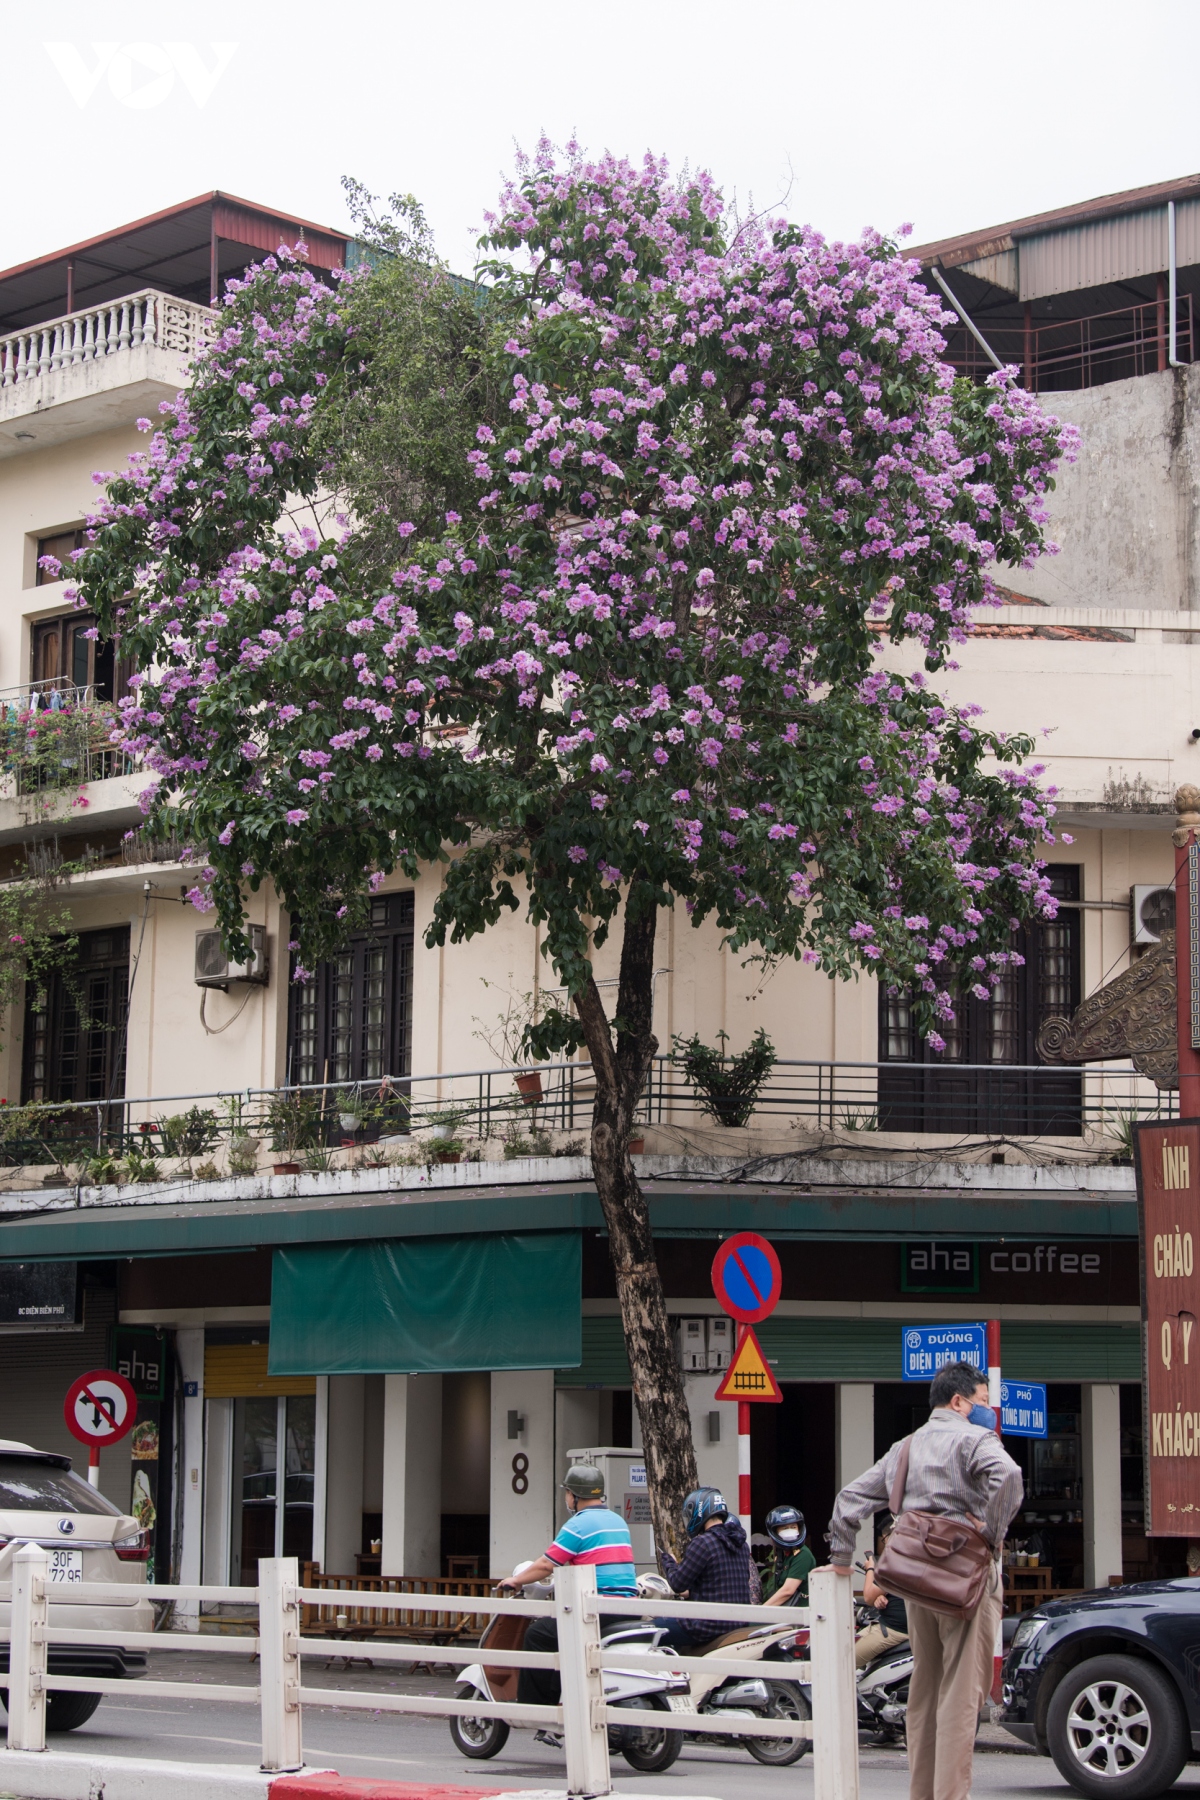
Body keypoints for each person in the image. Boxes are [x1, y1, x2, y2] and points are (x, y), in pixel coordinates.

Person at [827, 1361, 1023, 1800]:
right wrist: (991, 1533)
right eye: (983, 1402)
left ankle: (923, 1794)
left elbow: (850, 1499)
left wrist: (841, 1557)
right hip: (967, 1582)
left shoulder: (906, 1447)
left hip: (917, 1583)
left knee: (925, 1689)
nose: (987, 1411)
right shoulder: (975, 1439)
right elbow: (1009, 1477)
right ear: (959, 1401)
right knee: (960, 1695)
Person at [500, 1463, 636, 1716]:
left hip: (597, 1609)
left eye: (566, 1493)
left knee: (537, 1635)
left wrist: (515, 1580)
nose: (566, 1498)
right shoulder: (618, 1521)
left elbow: (545, 1565)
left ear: (574, 1495)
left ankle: (535, 1710)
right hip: (628, 1608)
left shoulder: (578, 1524)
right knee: (558, 1635)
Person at [655, 1486, 754, 1651]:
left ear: (700, 1511)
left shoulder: (703, 1543)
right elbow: (719, 1585)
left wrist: (669, 1563)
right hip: (737, 1623)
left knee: (648, 1630)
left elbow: (678, 1584)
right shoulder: (742, 1545)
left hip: (706, 1625)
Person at [855, 1524, 908, 1668]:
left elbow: (868, 1597)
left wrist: (870, 1567)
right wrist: (882, 1596)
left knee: (844, 1663)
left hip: (894, 1630)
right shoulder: (910, 1559)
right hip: (893, 1625)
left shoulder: (896, 1562)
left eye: (884, 1540)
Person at [761, 1504, 815, 1606]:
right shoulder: (783, 1554)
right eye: (785, 1528)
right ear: (775, 1532)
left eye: (793, 1527)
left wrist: (761, 1611)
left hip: (800, 1613)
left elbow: (787, 1591)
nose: (790, 1530)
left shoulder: (803, 1555)